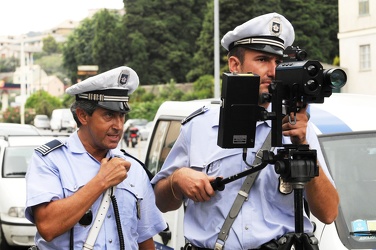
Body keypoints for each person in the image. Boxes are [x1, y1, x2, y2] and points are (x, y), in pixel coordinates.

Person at [151, 13, 339, 250]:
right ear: (235, 65)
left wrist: (302, 145)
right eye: (262, 59)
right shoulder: (199, 127)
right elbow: (159, 202)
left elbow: (329, 213)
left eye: (278, 62)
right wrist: (177, 181)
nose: (273, 71)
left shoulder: (295, 126)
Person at [25, 66, 166, 249]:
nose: (118, 126)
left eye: (122, 116)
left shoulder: (133, 168)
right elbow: (48, 226)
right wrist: (101, 181)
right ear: (83, 116)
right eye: (109, 115)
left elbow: (144, 239)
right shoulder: (51, 161)